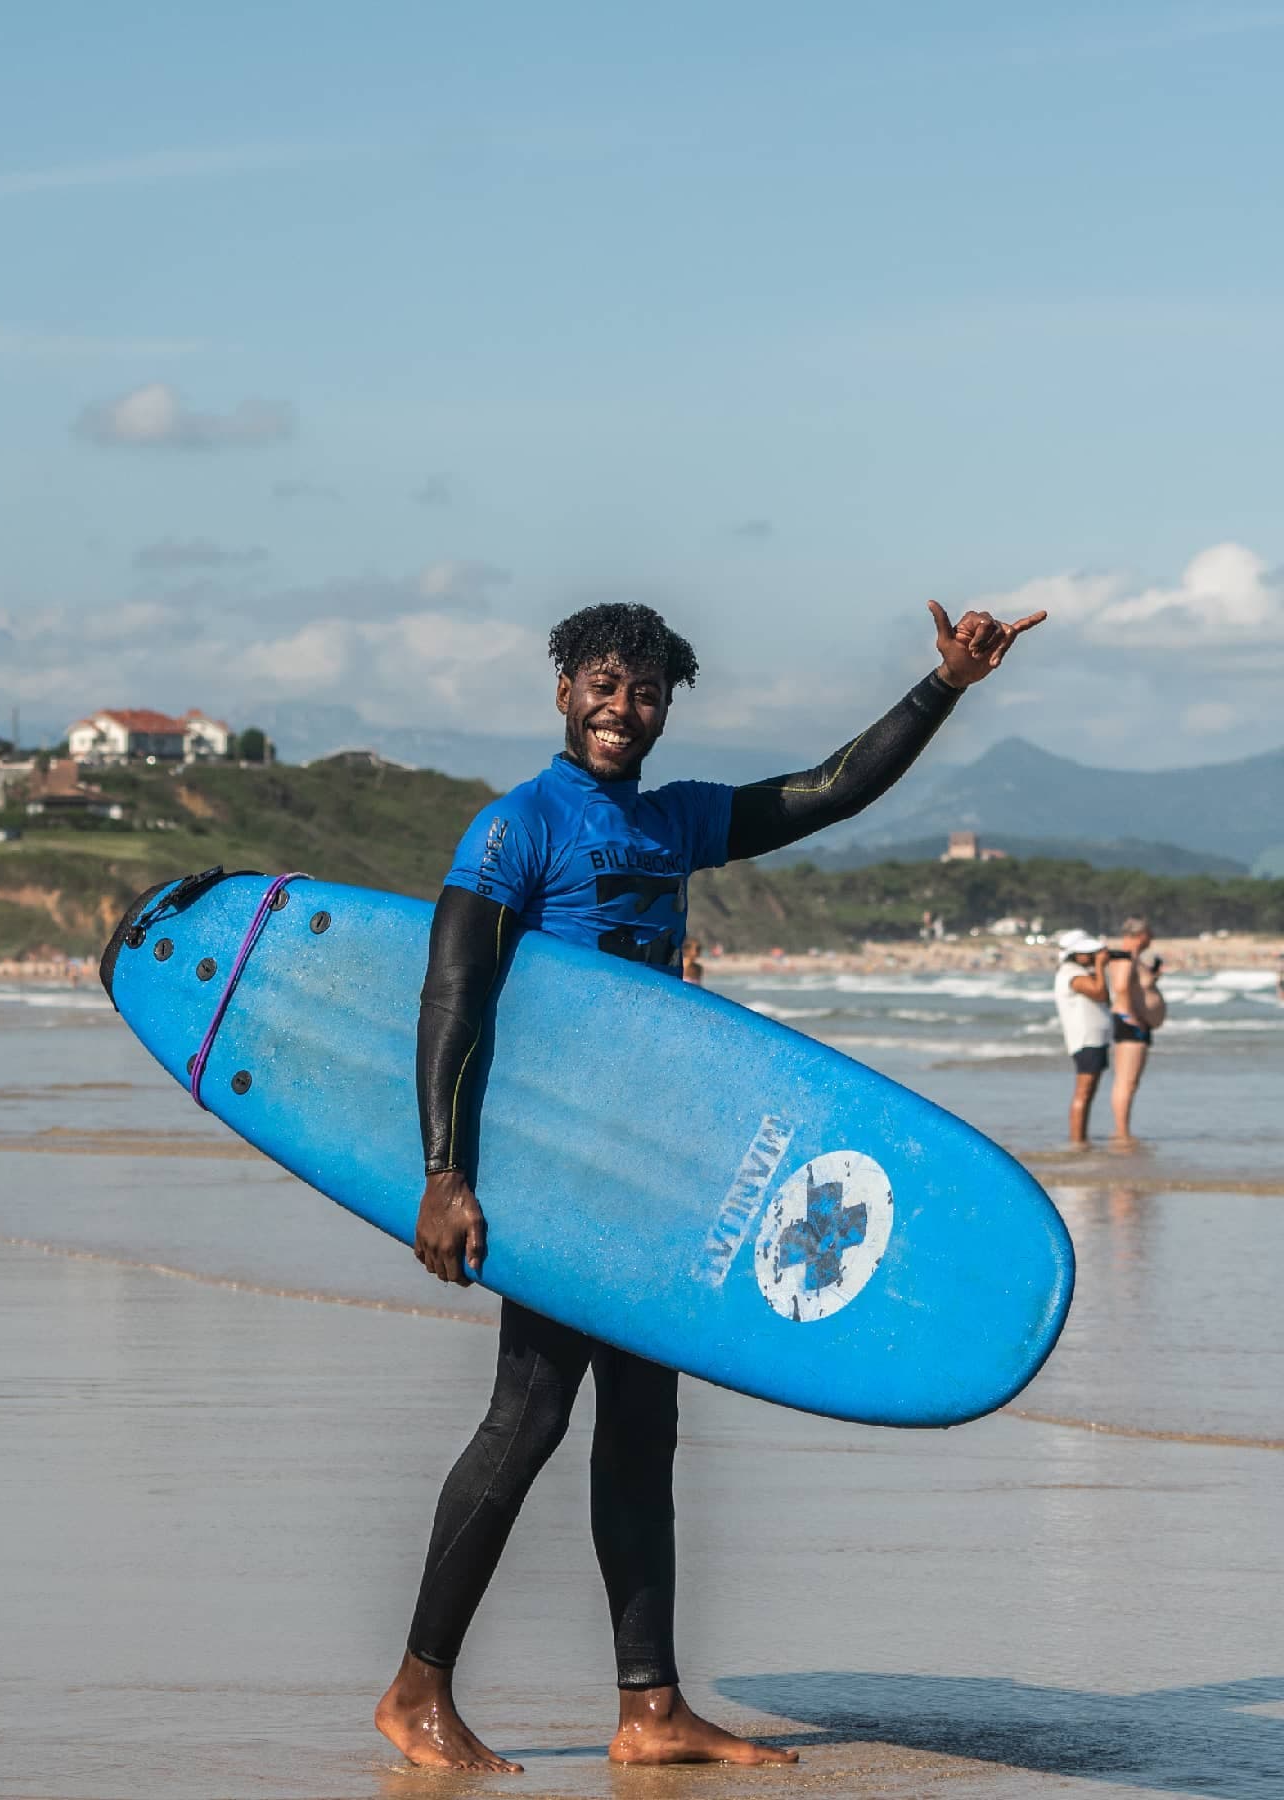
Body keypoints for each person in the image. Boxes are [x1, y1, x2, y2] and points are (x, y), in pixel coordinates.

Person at [375, 595, 1046, 1773]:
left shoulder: (677, 821)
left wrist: (943, 686)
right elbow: (451, 1000)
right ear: (561, 689)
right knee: (527, 1418)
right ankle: (416, 1690)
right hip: (555, 1171)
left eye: (645, 694)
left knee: (642, 1431)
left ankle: (650, 1708)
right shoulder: (512, 829)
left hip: (656, 1169)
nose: (621, 712)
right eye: (601, 685)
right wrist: (445, 1172)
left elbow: (828, 790)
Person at [1052, 930, 1112, 1145]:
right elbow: (1100, 993)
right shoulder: (1072, 974)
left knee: (1089, 1091)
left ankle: (1081, 1137)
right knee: (1084, 1092)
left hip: (1095, 1039)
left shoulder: (1077, 971)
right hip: (1086, 1040)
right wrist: (1100, 967)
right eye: (1088, 952)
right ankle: (1078, 1141)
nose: (1092, 955)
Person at [1107, 915, 1156, 1144]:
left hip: (1135, 1021)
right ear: (1139, 935)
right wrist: (1131, 1015)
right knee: (1125, 1081)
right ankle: (1121, 1132)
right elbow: (1120, 987)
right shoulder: (1125, 957)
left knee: (1130, 1081)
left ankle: (1123, 1129)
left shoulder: (1134, 958)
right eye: (1149, 933)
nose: (1152, 937)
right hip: (1129, 1022)